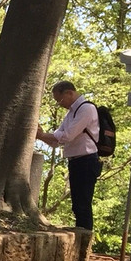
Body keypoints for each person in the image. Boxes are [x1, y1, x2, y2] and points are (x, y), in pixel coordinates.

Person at [36, 80, 101, 231]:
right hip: (75, 161)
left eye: (60, 100)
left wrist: (47, 135)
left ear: (69, 93)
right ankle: (81, 231)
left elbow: (67, 136)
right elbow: (57, 140)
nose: (60, 104)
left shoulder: (86, 109)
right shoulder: (71, 113)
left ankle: (84, 234)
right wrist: (40, 136)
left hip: (87, 160)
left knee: (83, 202)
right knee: (77, 203)